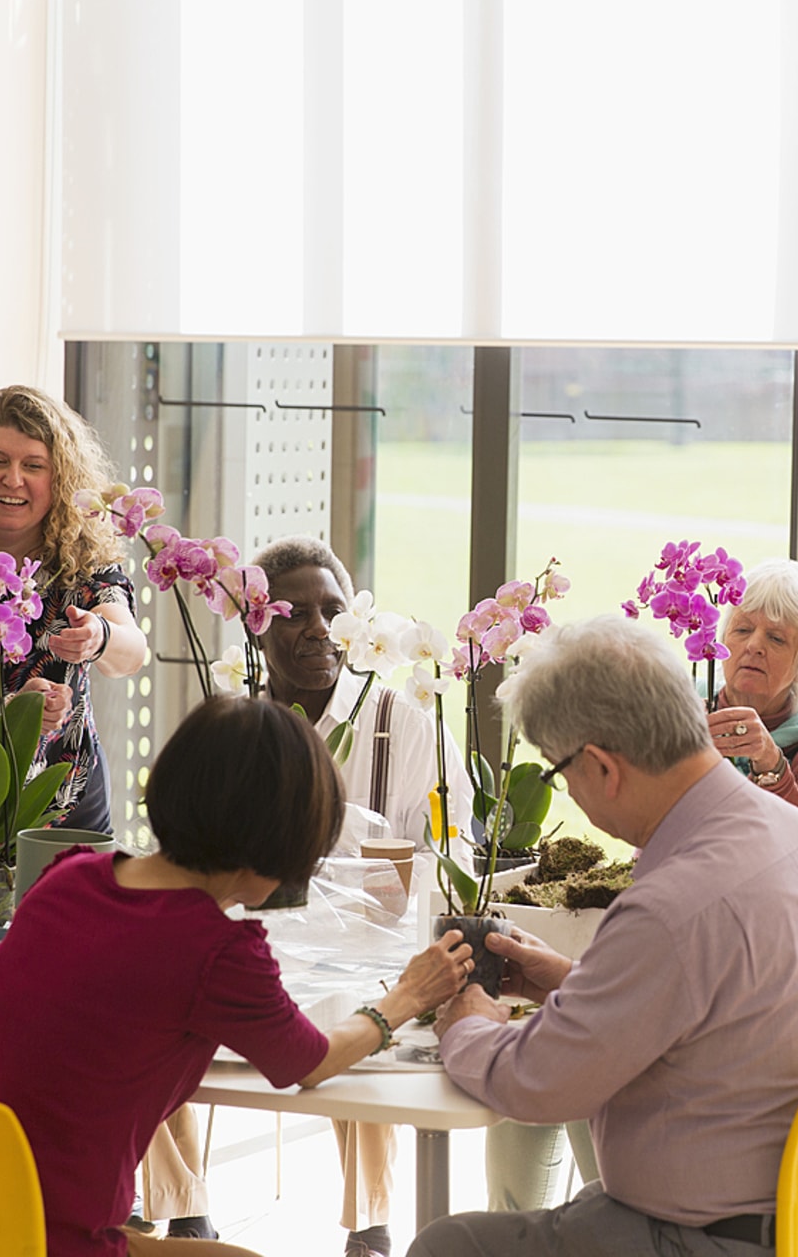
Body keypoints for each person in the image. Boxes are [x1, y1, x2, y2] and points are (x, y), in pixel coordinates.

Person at [410, 615, 798, 1257]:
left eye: (562, 775)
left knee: (452, 1244)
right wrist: (574, 978)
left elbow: (535, 1083)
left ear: (602, 769)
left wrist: (466, 1021)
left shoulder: (674, 904)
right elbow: (737, 1007)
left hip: (726, 1235)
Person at [0, 694, 473, 1257]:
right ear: (279, 847)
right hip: (45, 1236)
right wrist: (408, 996)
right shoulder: (215, 950)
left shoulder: (69, 877)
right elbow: (307, 1062)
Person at [140, 535, 474, 1254]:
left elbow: (452, 863)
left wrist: (345, 830)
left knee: (365, 1010)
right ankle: (183, 1208)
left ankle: (372, 1226)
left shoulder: (405, 725)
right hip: (247, 946)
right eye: (296, 613)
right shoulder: (232, 728)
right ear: (258, 621)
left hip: (363, 953)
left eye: (334, 612)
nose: (319, 630)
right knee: (154, 1004)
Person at [0, 385, 148, 833]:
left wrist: (99, 637)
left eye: (33, 466)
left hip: (63, 798)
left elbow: (131, 653)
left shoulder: (85, 564)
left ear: (59, 478)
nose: (13, 480)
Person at [707, 558, 798, 824]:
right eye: (743, 629)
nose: (754, 645)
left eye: (776, 638)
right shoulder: (685, 706)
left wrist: (772, 764)